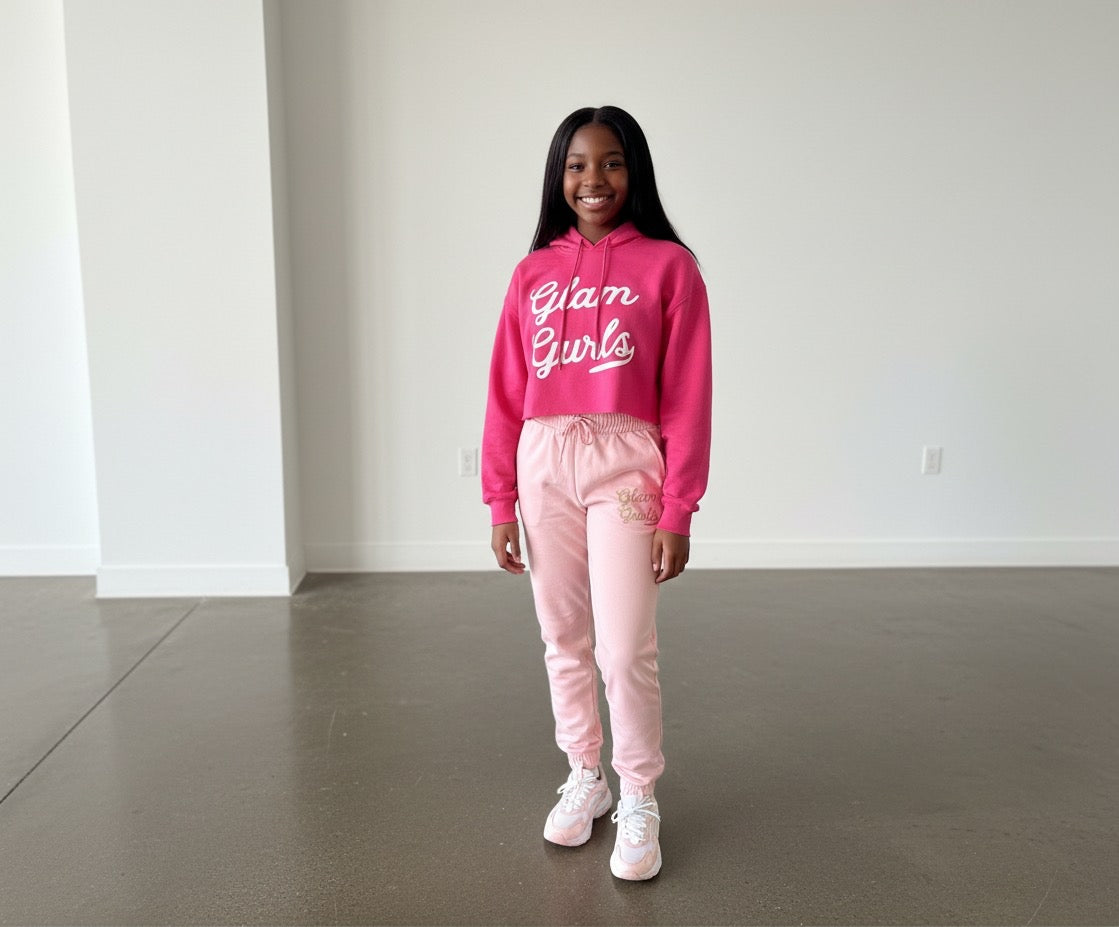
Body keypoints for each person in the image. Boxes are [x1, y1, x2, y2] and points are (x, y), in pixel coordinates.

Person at [482, 105, 712, 881]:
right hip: (543, 458)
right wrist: (499, 499)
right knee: (563, 637)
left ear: (633, 170)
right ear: (559, 176)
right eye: (577, 164)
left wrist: (678, 508)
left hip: (626, 461)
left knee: (623, 646)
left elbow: (687, 395)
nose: (593, 179)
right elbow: (505, 392)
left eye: (611, 162)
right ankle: (586, 773)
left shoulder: (669, 268)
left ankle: (638, 792)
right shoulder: (531, 273)